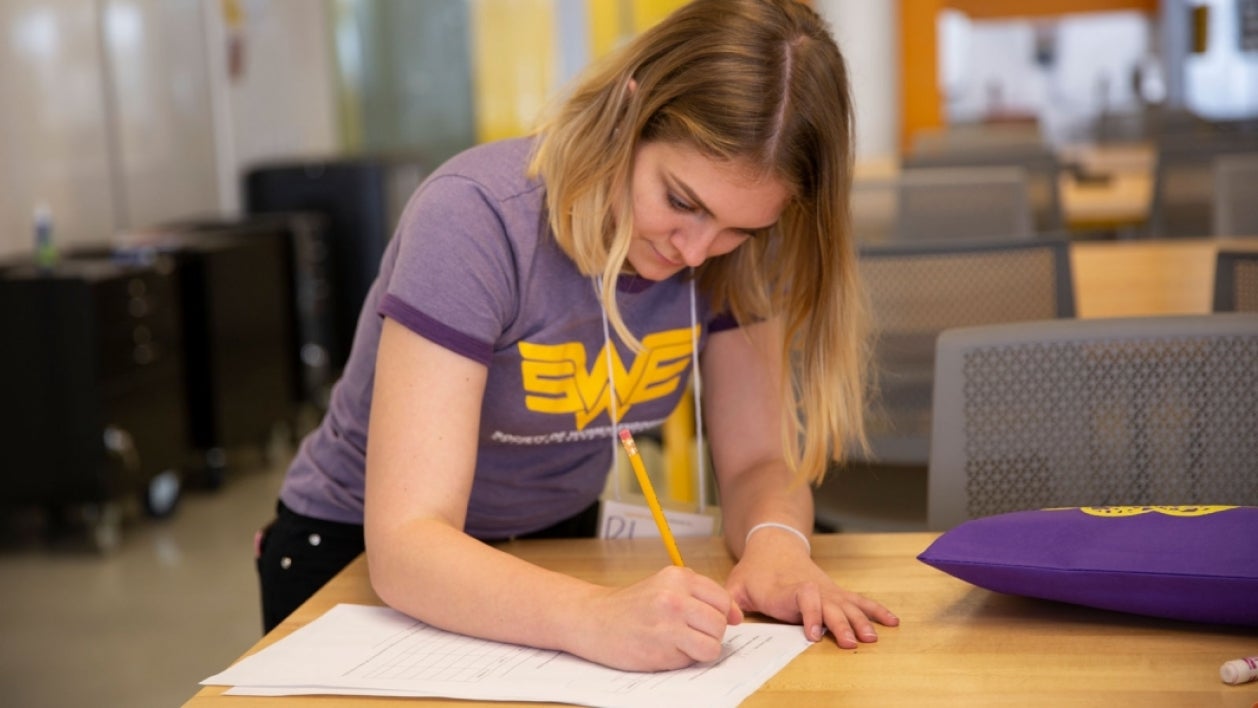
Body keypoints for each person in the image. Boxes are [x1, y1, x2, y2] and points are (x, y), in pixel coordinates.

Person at [256, 0, 898, 671]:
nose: (699, 250)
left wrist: (776, 546)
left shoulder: (734, 245)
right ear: (630, 112)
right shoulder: (475, 220)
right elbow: (409, 543)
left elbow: (758, 463)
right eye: (681, 201)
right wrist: (592, 616)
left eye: (743, 228)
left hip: (550, 548)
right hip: (358, 557)